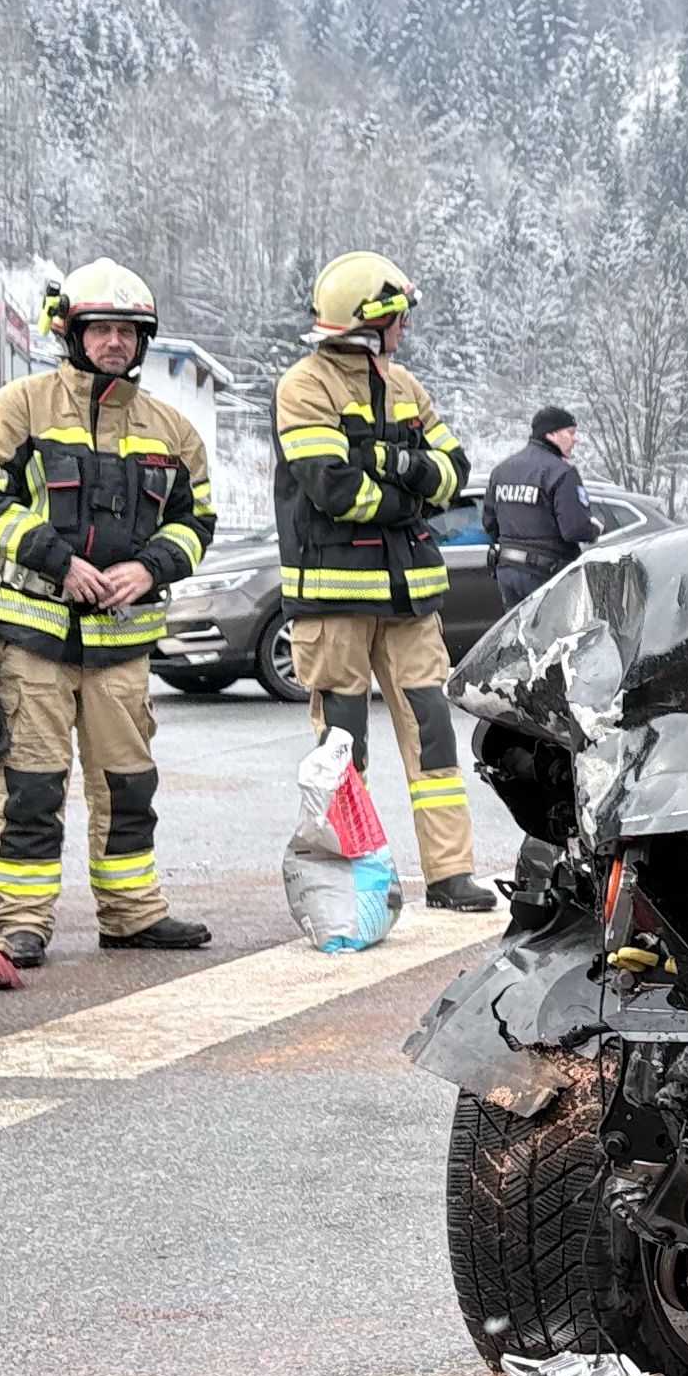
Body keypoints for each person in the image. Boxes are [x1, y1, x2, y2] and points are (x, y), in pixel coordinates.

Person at [0, 260, 218, 968]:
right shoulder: (20, 406)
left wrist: (149, 566)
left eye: (127, 331)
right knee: (31, 787)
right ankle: (23, 919)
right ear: (73, 331)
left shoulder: (173, 430)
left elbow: (197, 522)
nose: (114, 343)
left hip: (122, 647)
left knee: (128, 786)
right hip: (33, 635)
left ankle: (131, 913)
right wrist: (55, 560)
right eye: (100, 329)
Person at [269, 251, 495, 911]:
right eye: (396, 315)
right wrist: (408, 490)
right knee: (343, 744)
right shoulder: (303, 385)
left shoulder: (405, 386)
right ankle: (354, 878)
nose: (404, 327)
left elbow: (453, 470)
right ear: (368, 323)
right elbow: (332, 488)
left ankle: (450, 874)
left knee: (432, 729)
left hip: (409, 596)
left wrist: (387, 460)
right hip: (334, 597)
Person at [482, 403, 602, 608]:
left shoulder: (501, 471)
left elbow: (489, 523)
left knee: (519, 637)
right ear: (552, 434)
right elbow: (575, 530)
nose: (576, 439)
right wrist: (595, 528)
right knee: (556, 637)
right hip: (547, 574)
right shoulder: (561, 473)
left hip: (507, 571)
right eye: (570, 432)